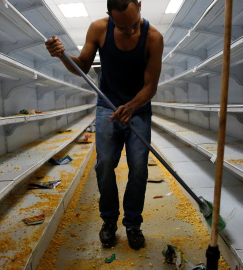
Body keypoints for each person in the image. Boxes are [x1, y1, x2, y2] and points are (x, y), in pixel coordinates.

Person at [45, 0, 163, 250]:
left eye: (134, 24)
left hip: (138, 110)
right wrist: (62, 55)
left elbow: (151, 86)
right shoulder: (98, 29)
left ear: (140, 5)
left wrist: (131, 107)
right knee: (105, 165)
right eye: (122, 26)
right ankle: (109, 221)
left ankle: (133, 223)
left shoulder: (153, 37)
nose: (130, 30)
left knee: (139, 167)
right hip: (107, 108)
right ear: (109, 15)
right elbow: (82, 67)